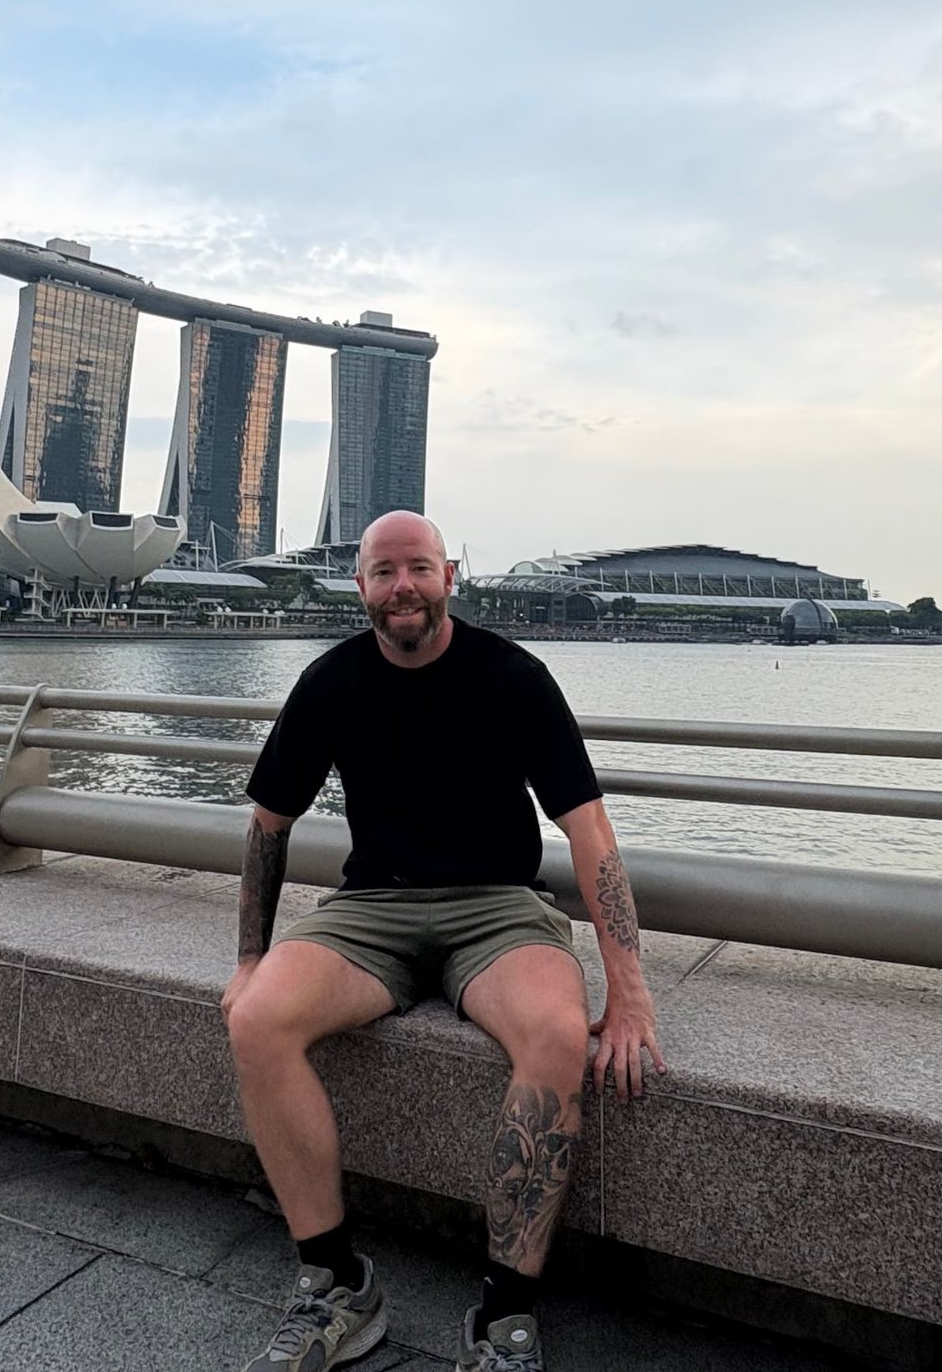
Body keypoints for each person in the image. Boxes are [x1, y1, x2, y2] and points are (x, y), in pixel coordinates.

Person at [224, 510, 666, 1372]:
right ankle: (336, 1285)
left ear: (450, 575)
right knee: (258, 1020)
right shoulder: (330, 682)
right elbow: (267, 827)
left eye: (418, 568)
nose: (403, 588)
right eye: (384, 572)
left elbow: (591, 836)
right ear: (360, 587)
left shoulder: (513, 676)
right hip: (372, 910)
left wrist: (631, 991)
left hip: (498, 907)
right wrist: (249, 960)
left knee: (552, 1034)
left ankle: (506, 1320)